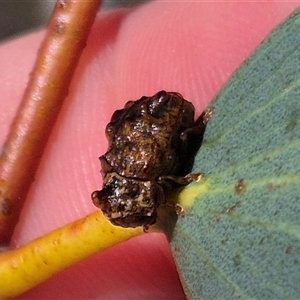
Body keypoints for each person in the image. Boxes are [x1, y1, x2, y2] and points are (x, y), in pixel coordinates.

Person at [0, 1, 298, 298]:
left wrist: (186, 153)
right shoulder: (123, 168)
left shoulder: (141, 170)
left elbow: (167, 172)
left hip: (169, 117)